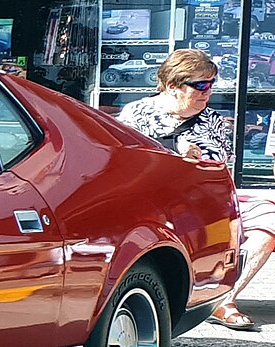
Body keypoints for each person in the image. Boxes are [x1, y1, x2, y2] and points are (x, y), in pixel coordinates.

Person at [116, 48, 275, 331]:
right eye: (200, 85)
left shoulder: (211, 118)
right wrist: (174, 153)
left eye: (211, 84)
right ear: (173, 86)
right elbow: (125, 161)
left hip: (205, 200)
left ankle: (224, 299)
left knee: (269, 218)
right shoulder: (137, 113)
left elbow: (223, 164)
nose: (207, 91)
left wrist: (201, 160)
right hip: (158, 203)